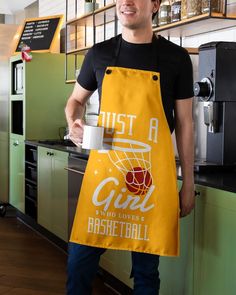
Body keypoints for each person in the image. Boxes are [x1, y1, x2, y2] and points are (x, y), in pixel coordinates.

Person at [65, 0, 195, 294]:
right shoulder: (99, 54)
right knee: (78, 262)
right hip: (106, 180)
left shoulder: (176, 58)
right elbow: (75, 101)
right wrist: (74, 122)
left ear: (154, 5)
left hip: (149, 182)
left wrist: (188, 183)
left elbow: (186, 123)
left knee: (147, 273)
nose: (126, 2)